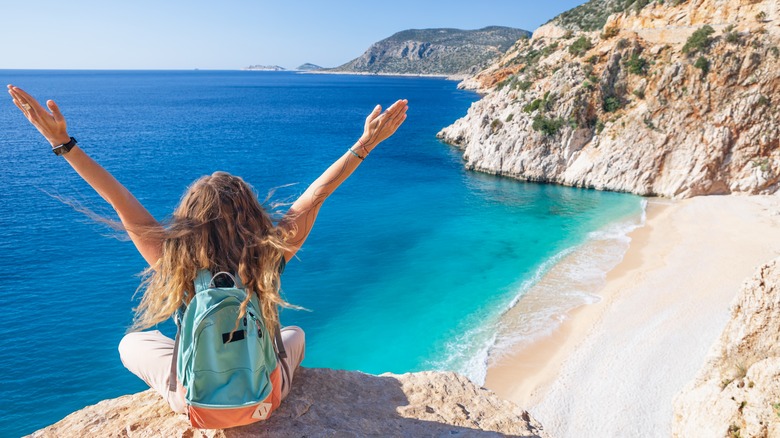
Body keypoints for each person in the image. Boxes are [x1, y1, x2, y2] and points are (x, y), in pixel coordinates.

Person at [7, 84, 408, 415]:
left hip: (194, 404)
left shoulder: (172, 258)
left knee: (131, 342)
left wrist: (63, 143)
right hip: (263, 402)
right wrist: (364, 144)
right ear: (251, 213)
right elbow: (314, 197)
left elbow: (117, 198)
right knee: (295, 333)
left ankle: (192, 393)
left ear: (188, 217)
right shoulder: (268, 255)